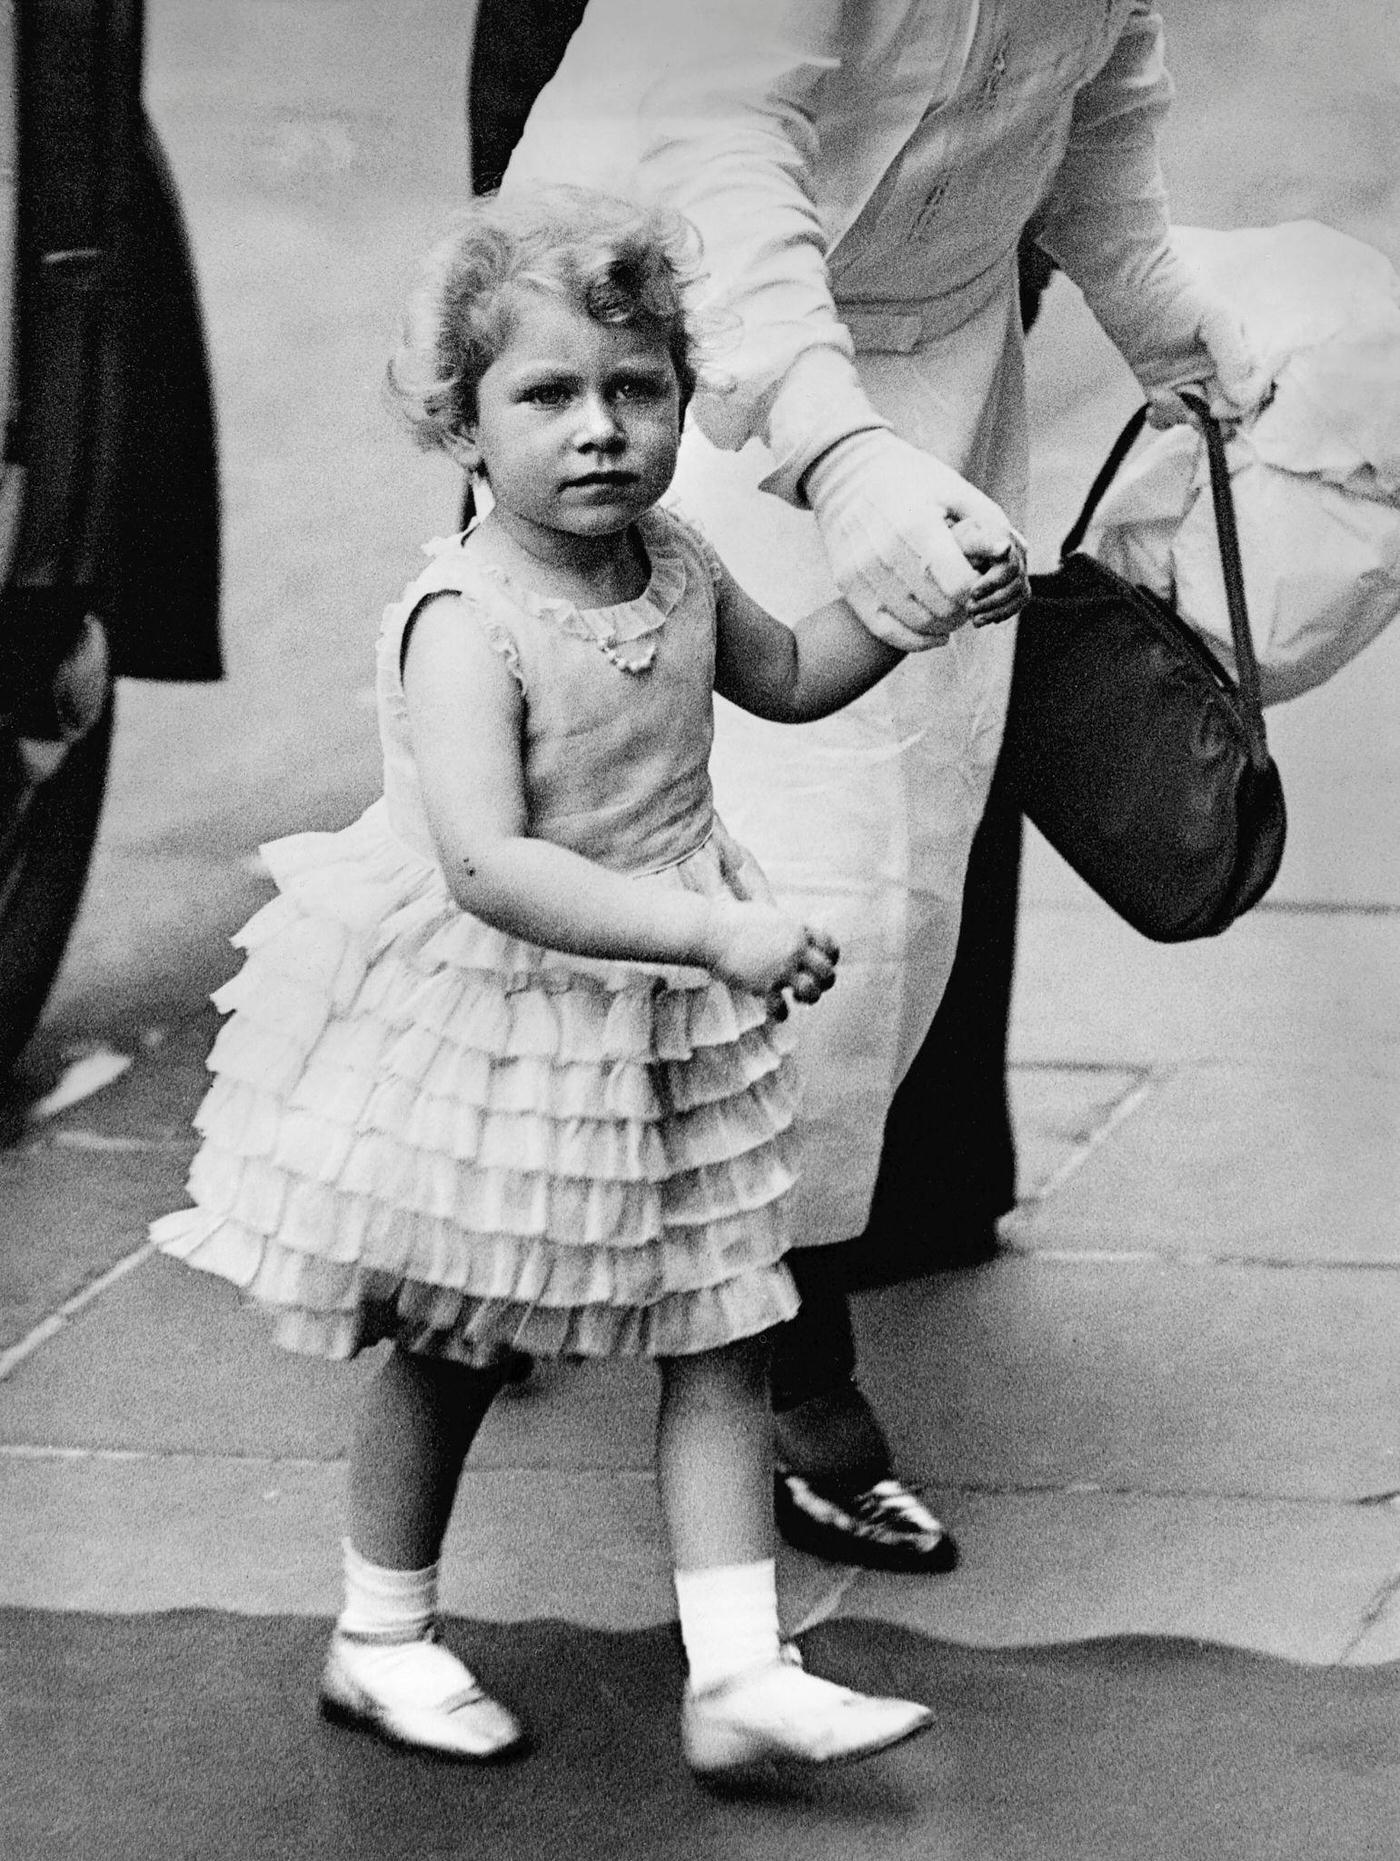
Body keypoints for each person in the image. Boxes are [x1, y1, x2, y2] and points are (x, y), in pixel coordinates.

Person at [152, 187, 1027, 1772]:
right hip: (505, 1019)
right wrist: (711, 933)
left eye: (637, 390)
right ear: (465, 428)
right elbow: (491, 861)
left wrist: (918, 603)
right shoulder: (463, 618)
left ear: (685, 404)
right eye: (547, 395)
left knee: (724, 1316)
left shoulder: (678, 563)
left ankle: (740, 1667)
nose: (602, 430)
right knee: (461, 1338)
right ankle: (379, 1631)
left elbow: (794, 672)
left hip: (661, 1015)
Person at [497, 0, 1269, 1572]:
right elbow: (722, 137)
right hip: (658, 340)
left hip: (929, 345)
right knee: (644, 830)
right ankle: (688, 1305)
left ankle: (743, 1283)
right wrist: (836, 455)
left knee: (894, 872)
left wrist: (1154, 303)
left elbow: (1099, 92)